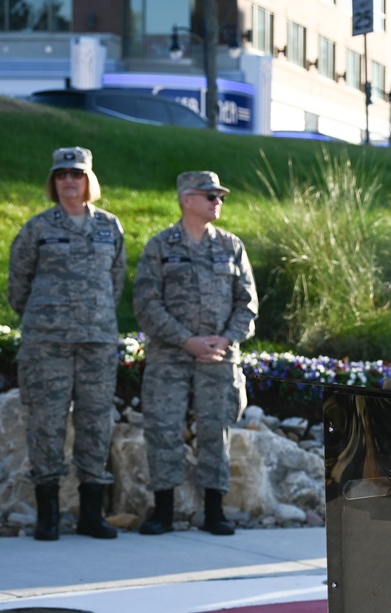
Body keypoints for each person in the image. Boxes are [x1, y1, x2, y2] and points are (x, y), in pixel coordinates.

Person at [7, 146, 125, 541]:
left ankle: (91, 514)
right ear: (53, 182)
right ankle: (49, 516)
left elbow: (117, 282)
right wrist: (45, 318)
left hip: (96, 342)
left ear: (88, 180)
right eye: (61, 175)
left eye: (76, 174)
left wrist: (95, 315)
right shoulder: (38, 228)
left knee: (94, 424)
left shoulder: (110, 227)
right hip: (47, 344)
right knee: (46, 424)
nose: (68, 181)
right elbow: (18, 284)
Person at [133, 171, 258, 536]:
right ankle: (164, 510)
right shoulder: (160, 247)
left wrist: (225, 340)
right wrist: (186, 339)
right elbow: (146, 303)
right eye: (210, 196)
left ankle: (214, 511)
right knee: (163, 429)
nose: (217, 202)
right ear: (187, 199)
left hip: (219, 357)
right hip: (170, 356)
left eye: (220, 197)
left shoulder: (231, 246)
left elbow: (247, 303)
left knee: (214, 429)